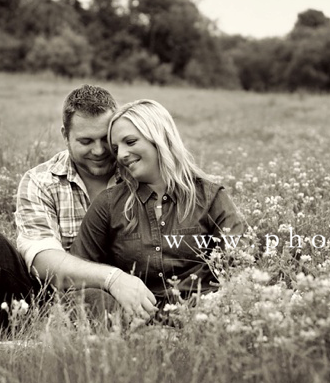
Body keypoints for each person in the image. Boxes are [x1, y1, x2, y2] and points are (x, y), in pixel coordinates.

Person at [0, 85, 158, 346]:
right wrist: (112, 278)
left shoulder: (136, 172)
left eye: (104, 140)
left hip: (117, 301)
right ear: (65, 135)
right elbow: (42, 260)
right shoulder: (41, 180)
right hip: (40, 297)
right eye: (85, 141)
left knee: (100, 301)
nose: (98, 151)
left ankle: (13, 351)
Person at [75, 103, 243, 307]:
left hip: (199, 316)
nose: (121, 155)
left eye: (130, 142)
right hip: (134, 319)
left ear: (160, 138)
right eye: (117, 148)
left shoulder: (210, 198)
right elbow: (78, 271)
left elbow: (238, 266)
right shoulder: (109, 203)